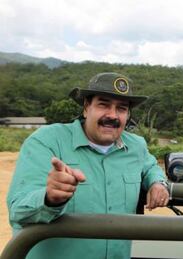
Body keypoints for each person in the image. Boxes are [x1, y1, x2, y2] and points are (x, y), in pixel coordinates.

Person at [7, 72, 169, 259]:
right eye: (103, 105)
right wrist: (50, 198)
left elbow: (150, 167)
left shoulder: (136, 145)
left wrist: (157, 183)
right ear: (86, 107)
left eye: (121, 108)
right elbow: (18, 210)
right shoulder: (47, 141)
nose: (112, 115)